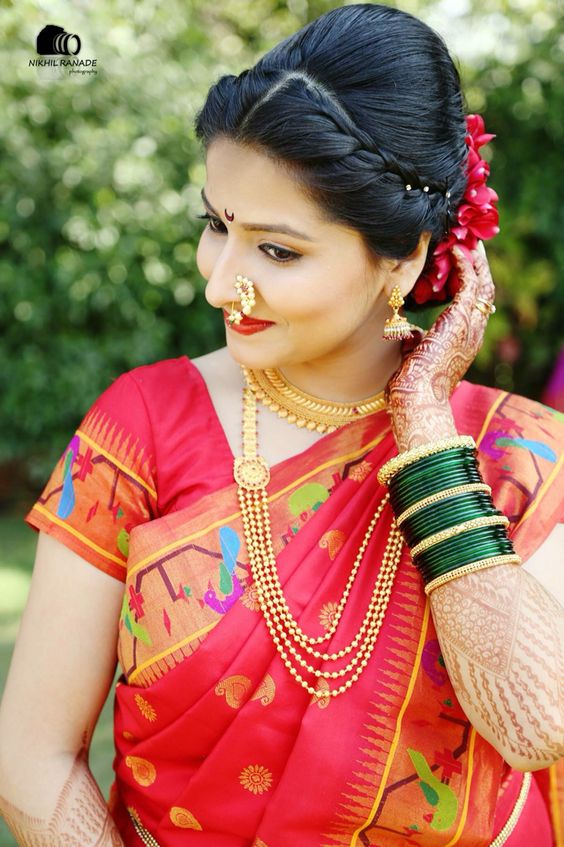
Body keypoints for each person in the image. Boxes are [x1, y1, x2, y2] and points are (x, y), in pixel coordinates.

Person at [0, 4, 563, 845]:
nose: (221, 284)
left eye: (277, 251)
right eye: (216, 225)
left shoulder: (523, 458)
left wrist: (423, 432)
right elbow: (30, 756)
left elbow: (531, 726)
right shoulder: (143, 425)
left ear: (405, 254)